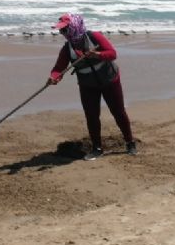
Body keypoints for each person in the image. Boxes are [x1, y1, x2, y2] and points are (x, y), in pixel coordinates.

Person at [48, 13, 136, 160]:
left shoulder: (94, 37)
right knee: (92, 116)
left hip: (109, 80)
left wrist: (97, 55)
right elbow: (59, 68)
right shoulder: (67, 48)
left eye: (65, 30)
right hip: (87, 85)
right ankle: (97, 148)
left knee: (118, 112)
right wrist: (54, 77)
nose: (62, 33)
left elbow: (112, 54)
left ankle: (130, 143)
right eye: (61, 30)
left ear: (75, 27)